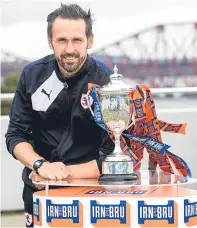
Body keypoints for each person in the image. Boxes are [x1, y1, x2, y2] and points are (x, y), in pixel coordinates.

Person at [5, 3, 114, 227]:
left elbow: (112, 155)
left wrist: (58, 173)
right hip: (38, 187)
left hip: (90, 191)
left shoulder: (105, 82)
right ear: (50, 42)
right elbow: (15, 136)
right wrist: (40, 165)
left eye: (77, 40)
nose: (69, 49)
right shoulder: (32, 76)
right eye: (62, 40)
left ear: (90, 41)